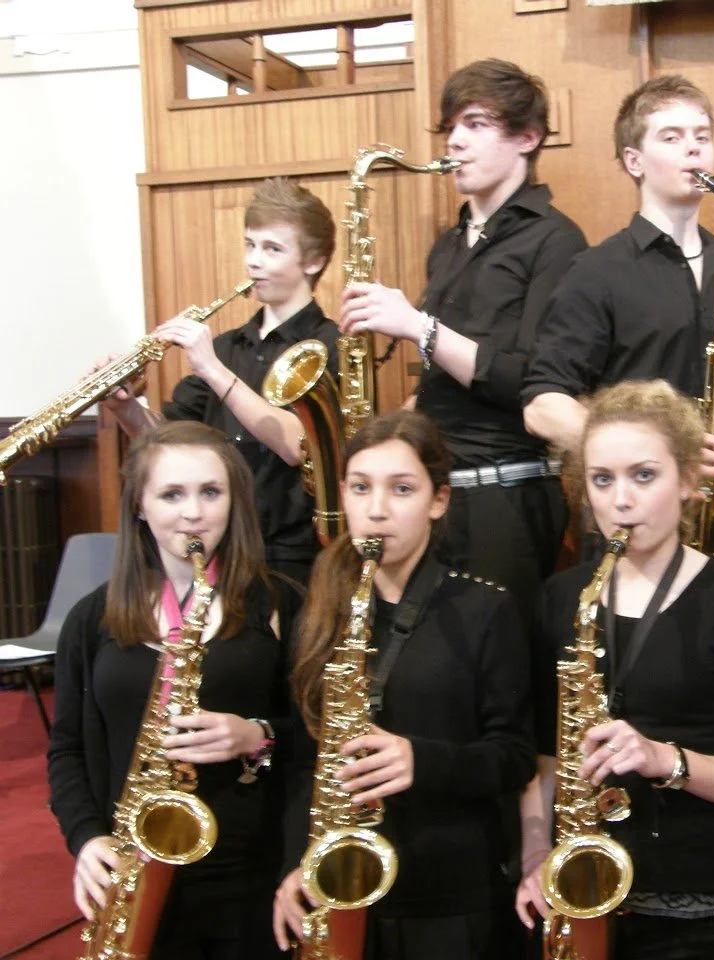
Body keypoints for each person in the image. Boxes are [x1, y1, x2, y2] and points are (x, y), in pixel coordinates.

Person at [516, 380, 714, 959]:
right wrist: (537, 854)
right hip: (580, 891)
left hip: (695, 901)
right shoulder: (560, 596)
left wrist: (663, 759)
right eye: (602, 479)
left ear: (688, 480)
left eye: (644, 475)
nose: (620, 500)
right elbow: (544, 752)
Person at [272, 410, 536, 960]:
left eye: (402, 489)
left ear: (438, 501)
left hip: (449, 893)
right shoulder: (321, 610)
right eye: (361, 488)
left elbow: (513, 757)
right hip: (342, 887)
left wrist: (422, 761)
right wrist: (298, 861)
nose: (376, 510)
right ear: (342, 493)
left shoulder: (486, 609)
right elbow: (303, 760)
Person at [336, 59, 587, 622]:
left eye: (476, 124)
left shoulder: (556, 240)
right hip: (439, 495)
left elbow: (530, 383)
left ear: (527, 137)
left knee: (498, 677)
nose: (455, 141)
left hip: (507, 500)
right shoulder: (448, 246)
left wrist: (418, 327)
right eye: (451, 127)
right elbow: (444, 380)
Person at [47, 420, 301, 960]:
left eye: (211, 492)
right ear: (139, 505)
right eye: (171, 494)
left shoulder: (280, 604)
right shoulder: (91, 618)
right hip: (134, 865)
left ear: (234, 501)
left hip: (250, 867)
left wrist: (256, 735)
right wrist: (86, 838)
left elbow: (318, 738)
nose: (193, 512)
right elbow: (66, 747)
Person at [100, 177, 339, 584]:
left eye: (272, 249)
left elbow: (297, 445)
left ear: (312, 262)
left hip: (292, 556)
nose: (253, 262)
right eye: (250, 245)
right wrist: (124, 406)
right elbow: (169, 440)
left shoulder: (331, 344)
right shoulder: (227, 348)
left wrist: (211, 367)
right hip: (219, 549)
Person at [521, 75, 714, 484]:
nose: (693, 147)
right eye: (671, 137)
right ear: (634, 161)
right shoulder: (596, 270)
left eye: (702, 137)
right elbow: (542, 406)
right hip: (631, 502)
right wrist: (640, 456)